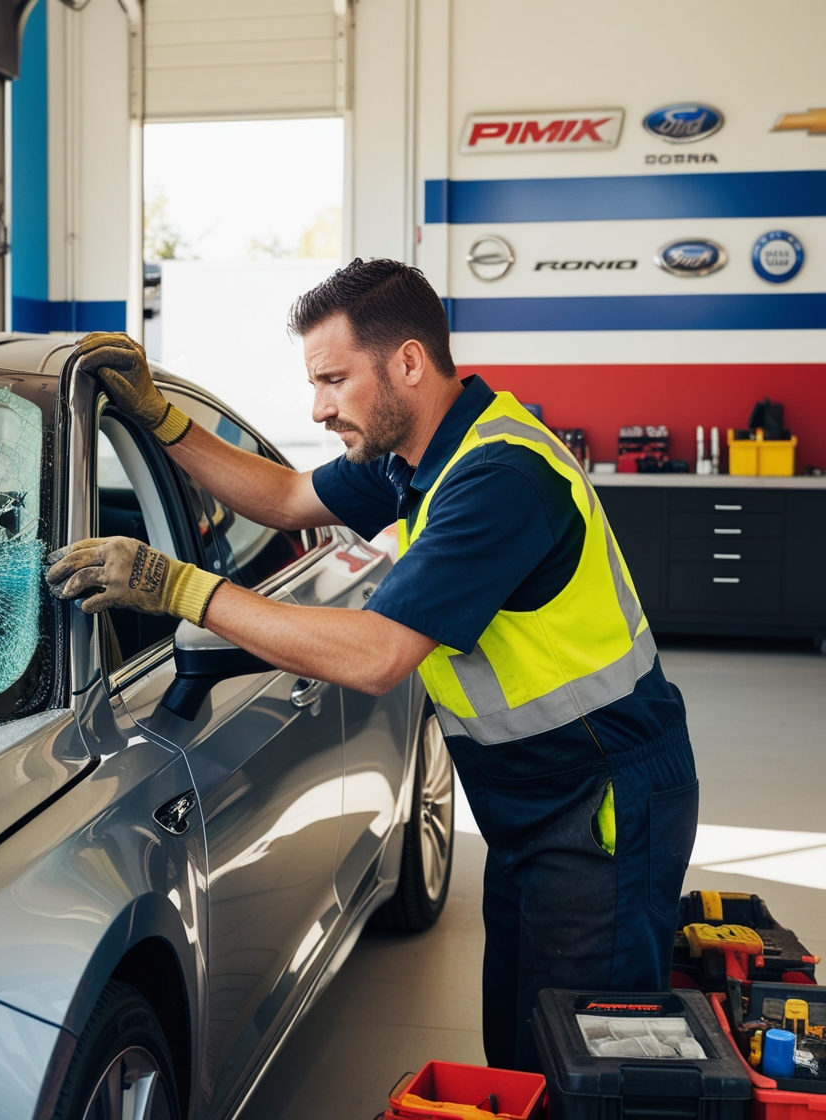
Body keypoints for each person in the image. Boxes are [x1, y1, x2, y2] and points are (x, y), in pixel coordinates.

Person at [45, 257, 698, 1071]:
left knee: (587, 1064)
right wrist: (161, 420)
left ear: (409, 363)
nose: (319, 407)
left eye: (333, 380)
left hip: (601, 804)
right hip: (539, 799)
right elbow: (287, 499)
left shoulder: (498, 478)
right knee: (522, 1049)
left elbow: (379, 654)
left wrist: (176, 586)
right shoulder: (420, 455)